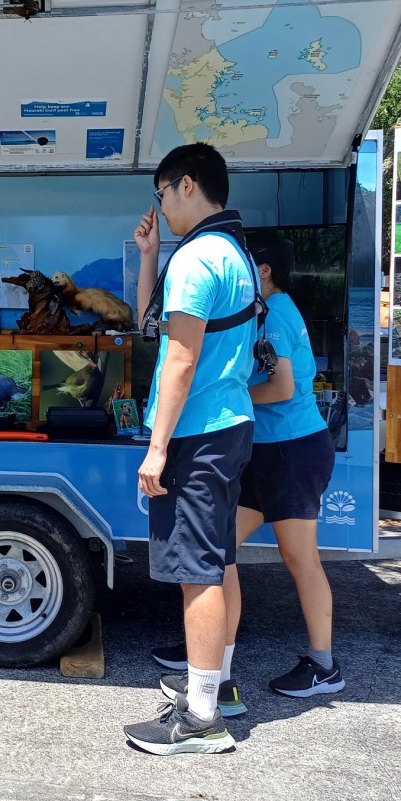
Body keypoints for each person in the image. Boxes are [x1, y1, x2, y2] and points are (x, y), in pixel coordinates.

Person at [149, 240, 343, 712]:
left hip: (293, 448)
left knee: (300, 558)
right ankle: (209, 655)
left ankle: (324, 666)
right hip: (265, 447)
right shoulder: (265, 310)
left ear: (266, 270)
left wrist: (225, 396)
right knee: (219, 552)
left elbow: (283, 387)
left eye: (249, 264)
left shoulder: (275, 315)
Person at [121, 143, 258, 756]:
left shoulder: (198, 257)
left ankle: (201, 720)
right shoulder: (232, 252)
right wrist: (149, 257)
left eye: (160, 194)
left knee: (195, 573)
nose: (160, 207)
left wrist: (156, 449)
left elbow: (178, 358)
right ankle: (217, 686)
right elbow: (156, 325)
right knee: (219, 563)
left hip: (195, 433)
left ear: (184, 185)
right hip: (228, 424)